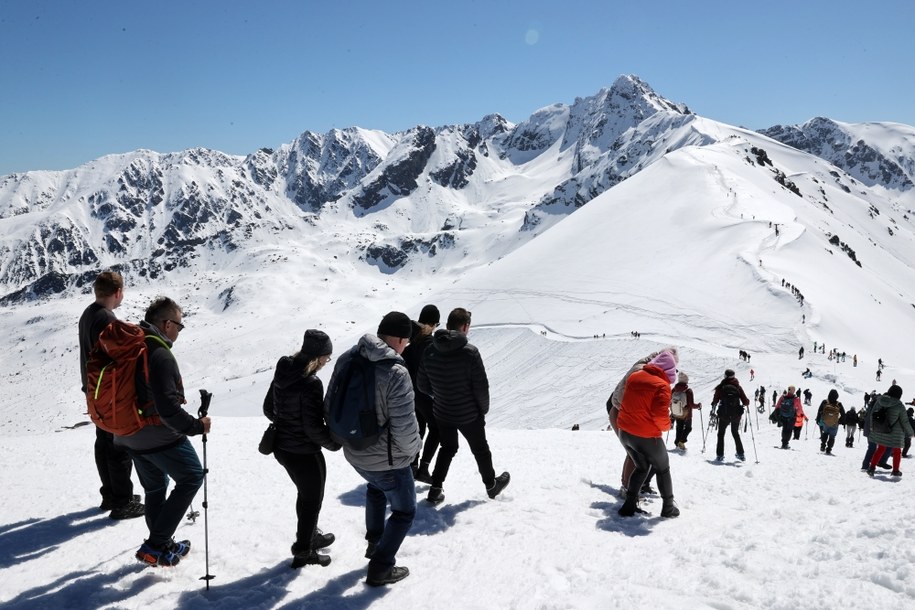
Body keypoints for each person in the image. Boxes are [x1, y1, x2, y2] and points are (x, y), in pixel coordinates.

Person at [325, 311, 421, 586]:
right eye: (407, 342)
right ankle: (381, 567)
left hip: (354, 453)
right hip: (389, 461)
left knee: (375, 489)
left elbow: (329, 405)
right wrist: (414, 452)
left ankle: (373, 543)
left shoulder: (347, 358)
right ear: (401, 340)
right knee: (404, 512)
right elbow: (405, 426)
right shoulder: (395, 372)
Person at [116, 297, 210, 567]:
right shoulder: (158, 353)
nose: (179, 331)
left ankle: (163, 544)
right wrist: (195, 426)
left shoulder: (132, 345)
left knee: (156, 488)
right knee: (192, 476)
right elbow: (168, 409)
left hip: (128, 433)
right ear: (167, 324)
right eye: (179, 326)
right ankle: (155, 545)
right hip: (155, 433)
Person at [417, 308, 510, 505]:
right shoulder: (470, 352)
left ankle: (435, 488)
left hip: (442, 411)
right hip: (469, 414)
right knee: (480, 449)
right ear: (465, 326)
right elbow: (481, 388)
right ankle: (491, 485)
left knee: (447, 448)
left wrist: (441, 395)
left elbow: (422, 385)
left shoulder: (430, 350)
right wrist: (482, 410)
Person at [264, 329, 340, 568]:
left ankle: (309, 536)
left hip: (282, 449)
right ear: (317, 357)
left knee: (304, 496)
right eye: (326, 357)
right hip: (305, 453)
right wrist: (334, 443)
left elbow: (268, 408)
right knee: (311, 501)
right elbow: (313, 427)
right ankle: (303, 551)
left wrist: (286, 422)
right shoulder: (311, 383)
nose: (327, 362)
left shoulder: (284, 368)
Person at [78, 271, 145, 521]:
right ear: (118, 292)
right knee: (118, 446)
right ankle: (122, 501)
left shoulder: (89, 314)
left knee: (104, 442)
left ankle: (111, 494)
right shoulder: (106, 319)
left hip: (93, 390)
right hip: (108, 392)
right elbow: (120, 354)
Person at [616, 350, 680, 518]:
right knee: (663, 468)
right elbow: (660, 416)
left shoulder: (635, 376)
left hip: (625, 432)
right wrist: (668, 425)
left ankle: (629, 505)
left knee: (642, 466)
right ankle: (668, 508)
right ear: (668, 371)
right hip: (645, 436)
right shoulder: (662, 385)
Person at [401, 304, 440, 484]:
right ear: (433, 323)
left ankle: (412, 465)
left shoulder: (411, 343)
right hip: (426, 395)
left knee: (419, 428)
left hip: (411, 395)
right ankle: (423, 468)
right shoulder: (431, 344)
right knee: (437, 429)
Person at [866, 385, 914, 477]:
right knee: (897, 451)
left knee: (880, 449)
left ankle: (871, 468)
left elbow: (872, 414)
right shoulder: (899, 405)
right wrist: (911, 433)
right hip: (895, 434)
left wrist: (872, 428)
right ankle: (895, 471)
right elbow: (905, 421)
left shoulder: (880, 401)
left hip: (882, 430)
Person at [710, 369, 750, 461]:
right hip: (736, 415)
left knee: (721, 434)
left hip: (724, 415)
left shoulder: (721, 386)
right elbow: (745, 401)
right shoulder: (738, 387)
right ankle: (741, 454)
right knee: (735, 433)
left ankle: (720, 455)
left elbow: (715, 400)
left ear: (725, 376)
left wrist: (714, 406)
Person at [671, 372, 700, 450]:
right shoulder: (688, 391)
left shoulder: (674, 389)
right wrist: (698, 406)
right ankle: (682, 441)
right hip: (686, 414)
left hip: (677, 412)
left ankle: (677, 443)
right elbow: (691, 404)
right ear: (686, 380)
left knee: (679, 428)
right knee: (688, 428)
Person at [815, 389, 846, 454]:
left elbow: (819, 410)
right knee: (832, 436)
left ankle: (823, 445)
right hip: (835, 423)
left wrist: (818, 419)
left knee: (825, 433)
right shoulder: (839, 404)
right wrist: (840, 421)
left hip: (825, 422)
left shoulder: (825, 402)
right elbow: (843, 414)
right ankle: (829, 449)